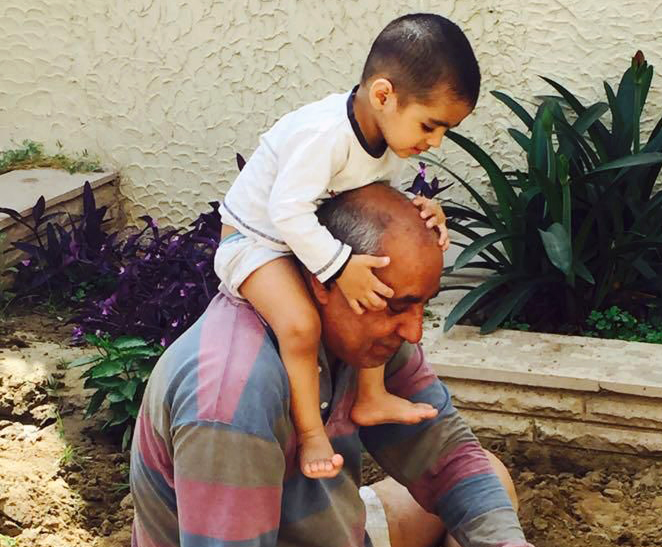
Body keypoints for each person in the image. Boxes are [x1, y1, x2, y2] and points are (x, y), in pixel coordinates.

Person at [130, 184, 534, 547]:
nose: (414, 332)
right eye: (397, 307)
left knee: (486, 486)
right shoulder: (232, 394)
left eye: (421, 306)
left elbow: (445, 453)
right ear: (326, 280)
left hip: (332, 529)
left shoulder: (364, 337)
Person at [215, 13, 480, 478]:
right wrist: (340, 266)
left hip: (299, 239)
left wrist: (422, 210)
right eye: (429, 126)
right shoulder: (325, 136)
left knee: (374, 297)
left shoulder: (384, 138)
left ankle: (370, 396)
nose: (436, 143)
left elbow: (371, 204)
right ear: (383, 95)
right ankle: (312, 433)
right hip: (254, 243)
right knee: (300, 326)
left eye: (445, 132)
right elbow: (287, 212)